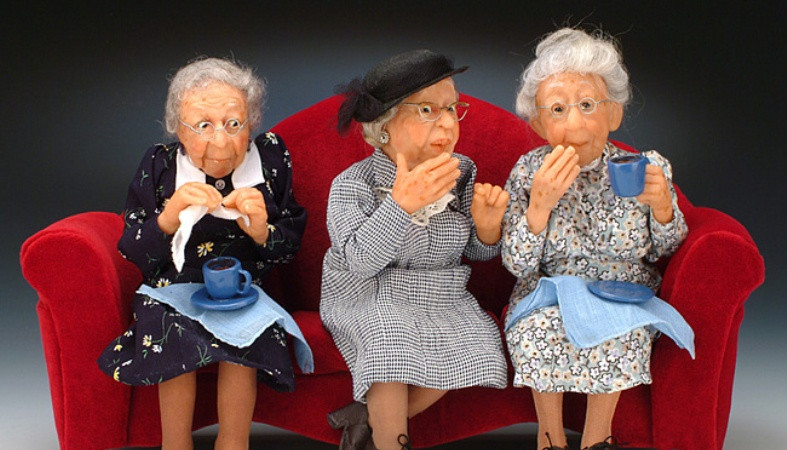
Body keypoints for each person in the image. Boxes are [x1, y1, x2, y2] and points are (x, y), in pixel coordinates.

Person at [97, 57, 310, 450]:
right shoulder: (160, 166)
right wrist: (169, 217)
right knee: (169, 332)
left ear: (252, 122)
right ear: (178, 127)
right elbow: (132, 248)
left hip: (242, 290)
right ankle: (175, 444)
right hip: (171, 288)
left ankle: (233, 443)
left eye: (234, 123)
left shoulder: (270, 160)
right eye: (203, 126)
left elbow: (290, 247)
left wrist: (262, 231)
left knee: (246, 337)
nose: (221, 142)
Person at [502, 28, 694, 450]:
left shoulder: (646, 168)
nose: (575, 123)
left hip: (623, 292)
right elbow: (517, 264)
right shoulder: (529, 173)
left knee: (620, 333)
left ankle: (597, 441)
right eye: (557, 109)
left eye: (588, 105)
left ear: (614, 114)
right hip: (551, 291)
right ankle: (549, 439)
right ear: (539, 124)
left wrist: (663, 207)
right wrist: (539, 206)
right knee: (535, 331)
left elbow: (667, 250)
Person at [320, 49, 510, 450]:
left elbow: (475, 252)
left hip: (441, 294)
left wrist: (488, 229)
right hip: (370, 292)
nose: (447, 123)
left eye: (452, 108)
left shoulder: (462, 173)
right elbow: (360, 261)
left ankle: (366, 416)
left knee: (477, 343)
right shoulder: (353, 185)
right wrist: (401, 205)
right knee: (387, 338)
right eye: (427, 110)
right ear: (384, 127)